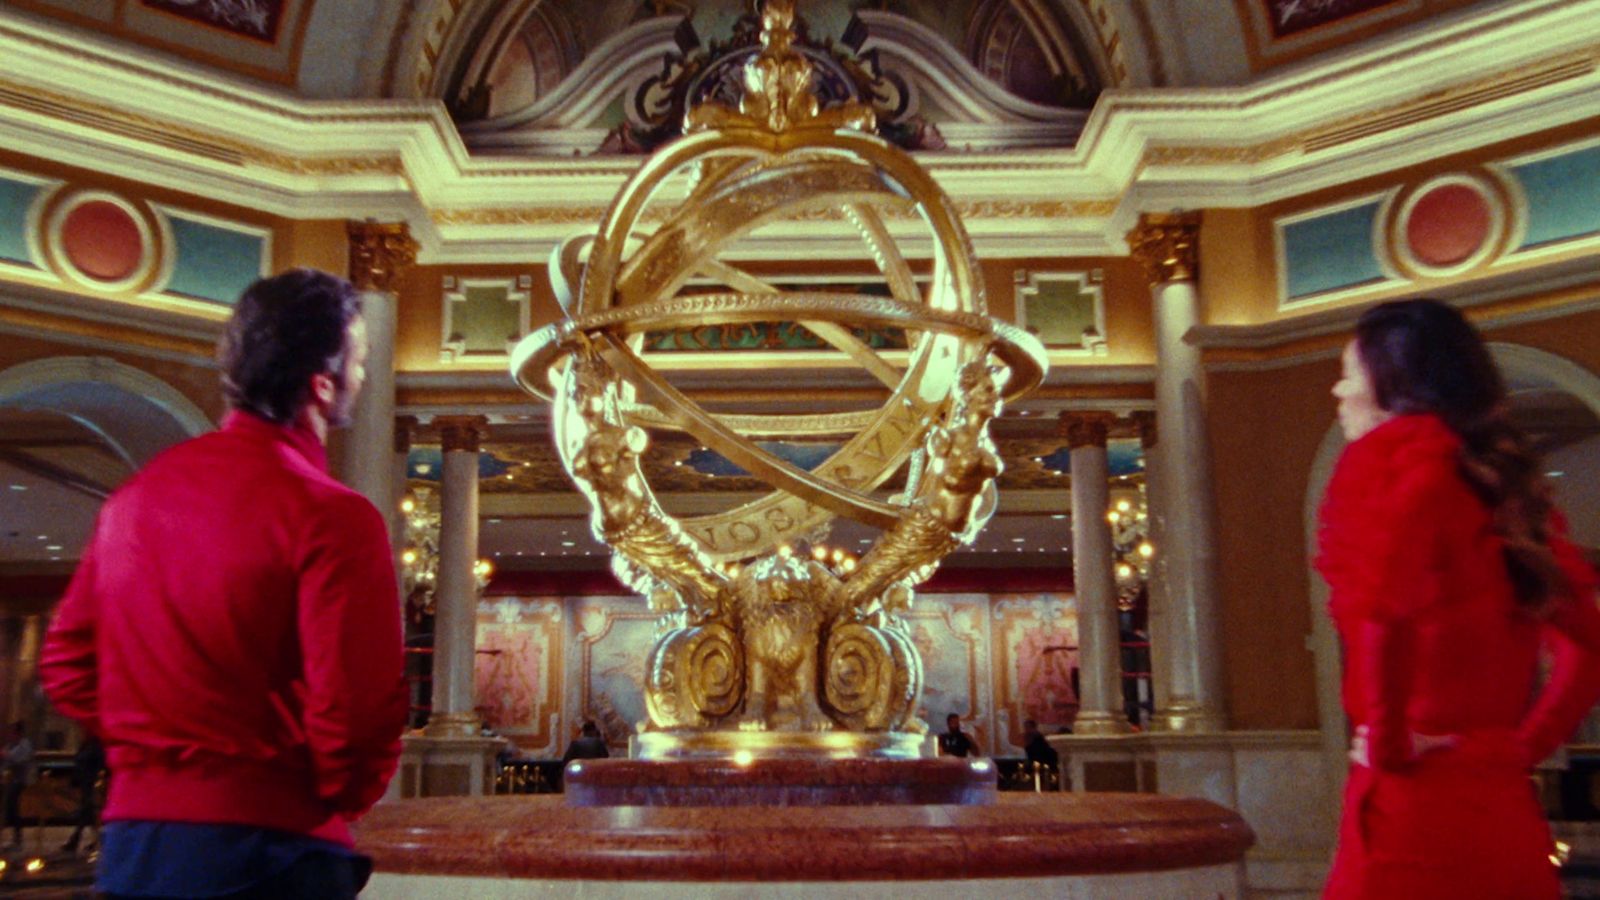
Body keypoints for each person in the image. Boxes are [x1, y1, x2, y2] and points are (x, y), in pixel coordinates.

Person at [39, 268, 409, 900]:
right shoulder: (331, 516)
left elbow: (67, 664)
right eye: (363, 360)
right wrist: (306, 789)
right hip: (268, 848)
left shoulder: (133, 499)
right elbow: (356, 714)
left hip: (131, 850)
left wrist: (155, 753)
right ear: (324, 383)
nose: (365, 376)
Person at [1317, 298, 1600, 899]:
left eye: (1350, 372)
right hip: (1499, 801)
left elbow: (1384, 615)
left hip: (1412, 808)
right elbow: (1589, 648)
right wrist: (1518, 747)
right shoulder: (1508, 493)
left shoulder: (1394, 466)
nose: (1339, 391)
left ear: (1395, 386)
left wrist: (1391, 747)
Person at [62, 734, 105, 854]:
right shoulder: (86, 745)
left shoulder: (95, 746)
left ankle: (75, 840)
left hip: (91, 783)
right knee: (88, 813)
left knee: (86, 811)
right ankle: (95, 841)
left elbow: (98, 764)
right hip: (85, 783)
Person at [2, 721, 33, 847]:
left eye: (12, 732)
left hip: (19, 780)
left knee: (12, 807)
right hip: (9, 780)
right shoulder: (11, 745)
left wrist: (7, 755)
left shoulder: (24, 745)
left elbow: (21, 759)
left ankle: (17, 839)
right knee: (8, 807)